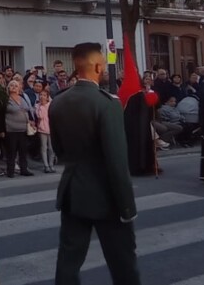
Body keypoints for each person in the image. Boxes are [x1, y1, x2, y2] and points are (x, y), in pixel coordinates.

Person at [49, 42, 139, 285]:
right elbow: (116, 159)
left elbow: (59, 150)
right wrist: (127, 207)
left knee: (68, 261)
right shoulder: (107, 103)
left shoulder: (58, 102)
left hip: (72, 192)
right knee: (122, 262)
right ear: (98, 66)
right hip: (106, 196)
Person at [2, 80, 34, 177]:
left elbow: (27, 110)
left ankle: (24, 169)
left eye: (16, 85)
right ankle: (10, 171)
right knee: (11, 152)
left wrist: (31, 121)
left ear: (19, 88)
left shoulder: (22, 98)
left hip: (23, 129)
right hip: (11, 130)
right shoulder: (5, 99)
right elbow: (1, 114)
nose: (14, 87)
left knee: (23, 151)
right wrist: (1, 130)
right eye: (11, 85)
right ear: (8, 88)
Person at [36, 89, 56, 173]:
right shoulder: (37, 106)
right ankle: (46, 165)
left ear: (47, 97)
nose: (42, 97)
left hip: (51, 128)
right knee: (44, 147)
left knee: (51, 148)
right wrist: (41, 107)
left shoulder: (51, 105)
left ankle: (51, 164)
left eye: (44, 95)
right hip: (42, 129)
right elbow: (39, 116)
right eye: (41, 95)